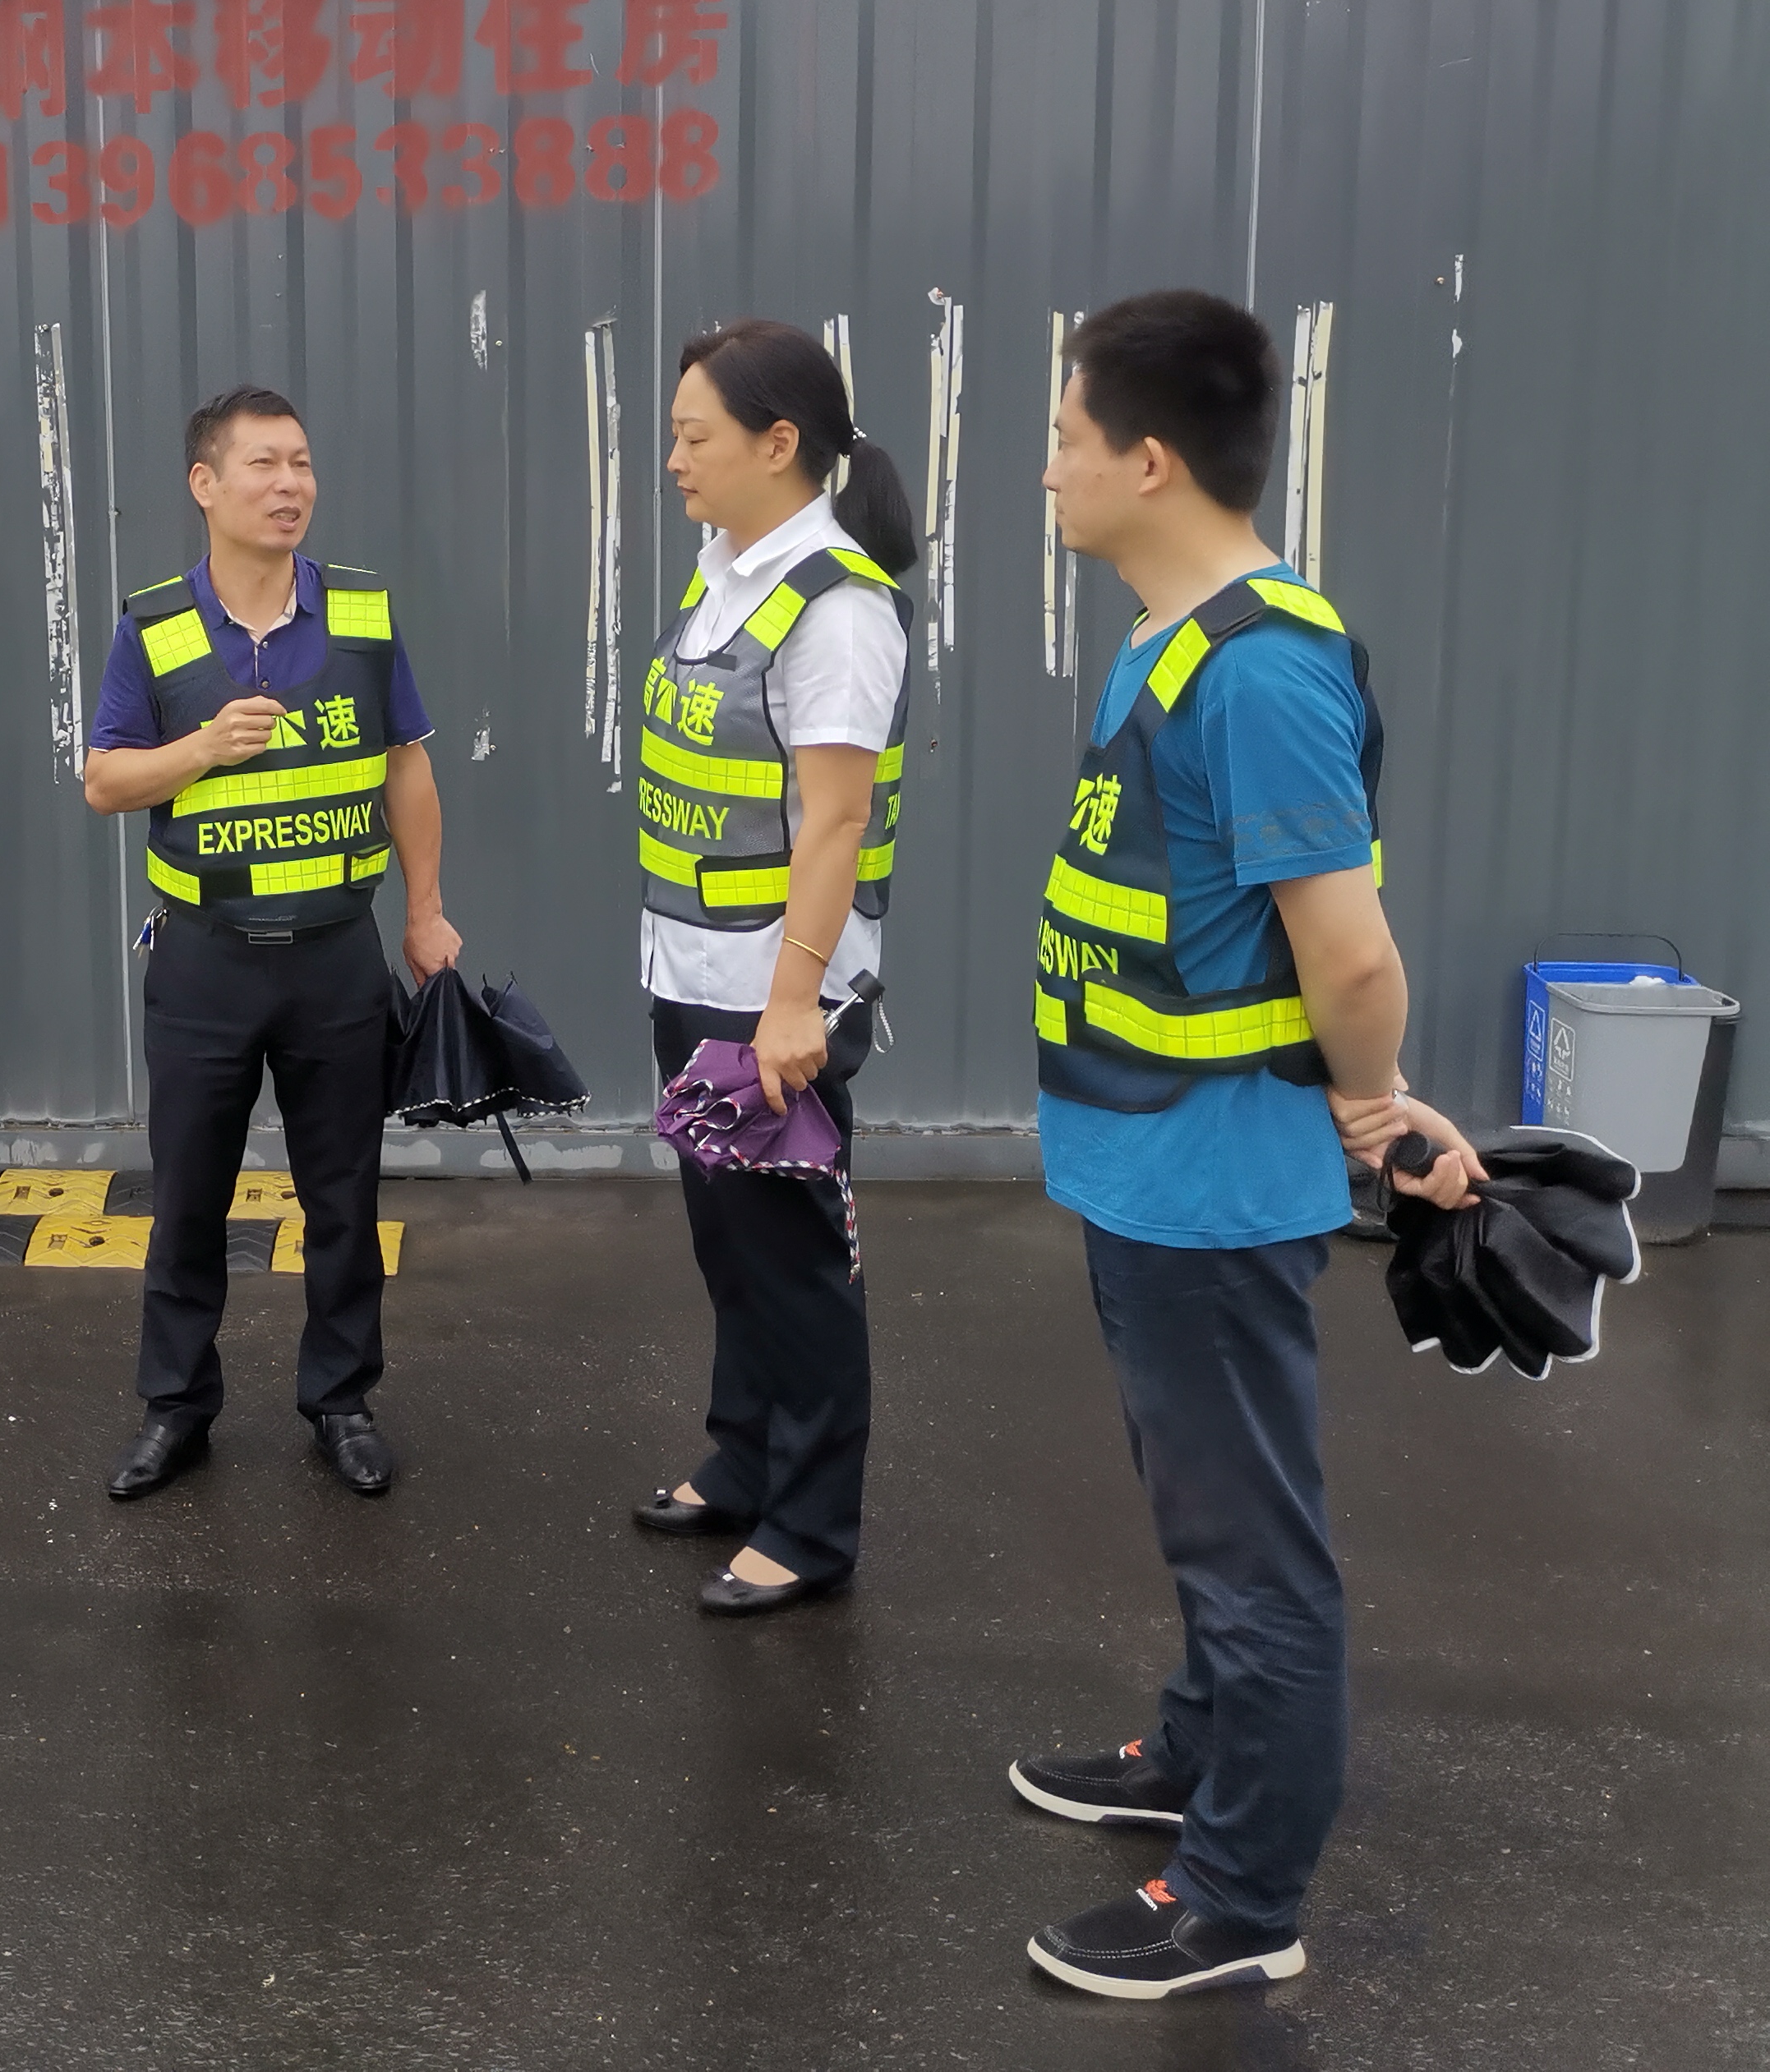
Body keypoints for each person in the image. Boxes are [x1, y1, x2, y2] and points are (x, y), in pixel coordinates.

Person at [1013, 289, 1483, 2001]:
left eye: (1062, 439)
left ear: (1147, 459)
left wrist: (1374, 1102)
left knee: (1253, 1552)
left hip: (1212, 1188)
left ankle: (1238, 1895)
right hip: (1144, 1162)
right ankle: (1197, 1753)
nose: (1045, 470)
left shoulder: (1264, 671)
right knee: (1197, 1504)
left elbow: (1346, 954)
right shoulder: (1168, 638)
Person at [81, 384, 461, 1502]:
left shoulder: (362, 614)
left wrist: (424, 912)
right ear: (205, 484)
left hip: (337, 956)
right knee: (187, 1198)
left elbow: (407, 766)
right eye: (263, 464)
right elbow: (105, 781)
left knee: (342, 1197)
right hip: (203, 958)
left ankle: (340, 1399)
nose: (289, 484)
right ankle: (176, 1407)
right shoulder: (153, 626)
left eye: (300, 463)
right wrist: (200, 748)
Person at [625, 322, 919, 1619]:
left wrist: (794, 1001)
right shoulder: (727, 575)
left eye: (695, 436)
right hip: (693, 970)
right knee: (729, 1245)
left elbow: (837, 821)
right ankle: (743, 1460)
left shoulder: (837, 609)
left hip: (771, 997)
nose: (676, 458)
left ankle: (809, 1524)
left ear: (779, 443)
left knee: (794, 1265)